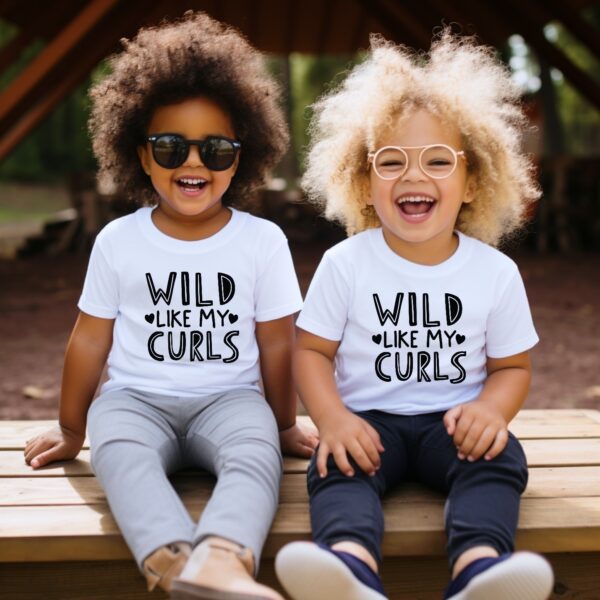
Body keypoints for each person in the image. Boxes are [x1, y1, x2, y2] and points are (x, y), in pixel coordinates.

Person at [24, 12, 317, 600]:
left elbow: (278, 341)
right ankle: (173, 564)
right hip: (134, 400)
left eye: (215, 149)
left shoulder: (261, 241)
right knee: (121, 457)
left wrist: (282, 422)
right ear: (140, 153)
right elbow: (89, 339)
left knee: (255, 458)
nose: (193, 163)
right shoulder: (118, 241)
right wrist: (71, 425)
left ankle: (223, 561)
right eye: (170, 146)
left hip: (231, 399)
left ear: (242, 156)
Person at [275, 31, 554, 600]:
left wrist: (491, 413)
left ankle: (479, 569)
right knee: (337, 469)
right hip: (366, 425)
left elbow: (512, 368)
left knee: (499, 460)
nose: (413, 175)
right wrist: (331, 420)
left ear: (472, 180)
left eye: (437, 161)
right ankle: (348, 569)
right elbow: (311, 352)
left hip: (453, 425)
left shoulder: (494, 273)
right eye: (391, 161)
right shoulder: (345, 263)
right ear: (363, 178)